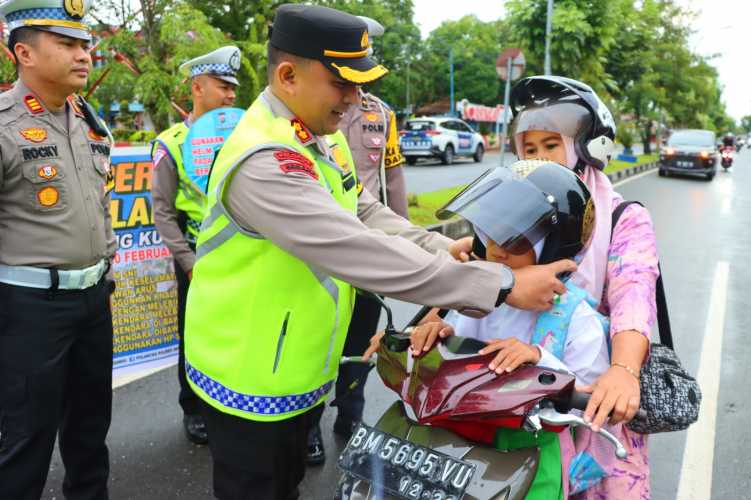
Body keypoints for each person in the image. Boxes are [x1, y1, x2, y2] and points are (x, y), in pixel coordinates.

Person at [183, 5, 575, 499]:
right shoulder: (265, 159)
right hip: (248, 374)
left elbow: (367, 213)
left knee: (286, 484)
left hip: (293, 368)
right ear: (287, 75)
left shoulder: (317, 138)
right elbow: (356, 249)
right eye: (342, 84)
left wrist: (446, 248)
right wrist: (502, 284)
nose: (355, 98)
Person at [449, 75, 656, 498]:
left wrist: (622, 371)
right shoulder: (515, 214)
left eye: (551, 145)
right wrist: (433, 319)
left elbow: (634, 298)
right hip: (509, 399)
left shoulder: (623, 218)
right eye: (530, 148)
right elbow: (480, 280)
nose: (542, 158)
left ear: (586, 148)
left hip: (588, 390)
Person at [407, 160, 611, 499]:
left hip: (531, 455)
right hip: (458, 444)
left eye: (516, 239)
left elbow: (593, 396)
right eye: (491, 232)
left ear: (554, 246)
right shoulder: (477, 297)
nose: (498, 248)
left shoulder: (575, 317)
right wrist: (436, 339)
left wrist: (540, 360)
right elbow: (453, 359)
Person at [0, 1, 116, 498]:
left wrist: (105, 272)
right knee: (26, 439)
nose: (84, 54)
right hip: (28, 310)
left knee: (91, 433)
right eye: (66, 44)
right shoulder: (4, 126)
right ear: (23, 52)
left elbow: (100, 204)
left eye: (85, 43)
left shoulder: (89, 120)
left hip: (92, 300)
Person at [305, 15, 409, 465]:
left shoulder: (381, 115)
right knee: (314, 339)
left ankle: (351, 414)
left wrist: (404, 237)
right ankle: (307, 424)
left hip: (369, 246)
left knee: (362, 340)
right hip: (320, 249)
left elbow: (392, 176)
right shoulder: (309, 112)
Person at [151, 45, 240, 444]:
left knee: (239, 331)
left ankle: (234, 400)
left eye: (234, 87)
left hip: (242, 253)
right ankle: (194, 407)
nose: (231, 95)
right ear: (197, 87)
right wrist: (188, 262)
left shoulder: (244, 136)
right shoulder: (171, 143)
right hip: (197, 257)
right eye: (223, 86)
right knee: (195, 334)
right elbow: (163, 212)